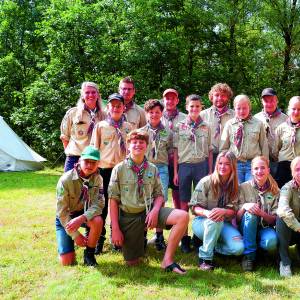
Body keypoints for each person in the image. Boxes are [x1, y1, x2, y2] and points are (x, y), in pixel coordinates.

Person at [109, 130, 189, 274]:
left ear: (147, 146)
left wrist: (155, 210)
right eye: (134, 142)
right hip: (129, 217)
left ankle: (167, 261)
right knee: (132, 263)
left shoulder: (152, 168)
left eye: (141, 142)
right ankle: (136, 244)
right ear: (128, 145)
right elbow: (113, 199)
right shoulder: (119, 169)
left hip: (149, 212)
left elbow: (159, 194)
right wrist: (115, 228)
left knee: (183, 216)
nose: (138, 145)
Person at [90, 93, 133, 254]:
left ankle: (118, 240)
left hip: (123, 171)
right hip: (104, 170)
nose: (116, 108)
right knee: (102, 206)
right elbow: (94, 149)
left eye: (119, 106)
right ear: (108, 107)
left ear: (123, 108)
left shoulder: (128, 127)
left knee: (122, 206)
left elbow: (132, 149)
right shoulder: (100, 126)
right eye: (112, 105)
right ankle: (98, 241)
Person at [189, 151, 244, 271]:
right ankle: (205, 259)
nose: (222, 167)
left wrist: (223, 212)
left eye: (227, 164)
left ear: (233, 166)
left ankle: (210, 246)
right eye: (220, 163)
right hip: (202, 222)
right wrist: (208, 213)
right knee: (214, 220)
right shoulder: (206, 182)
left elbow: (233, 211)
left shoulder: (235, 186)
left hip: (224, 224)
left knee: (239, 248)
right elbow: (194, 207)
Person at [173, 94, 213, 253]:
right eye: (192, 106)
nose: (194, 109)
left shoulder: (206, 126)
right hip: (184, 166)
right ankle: (184, 238)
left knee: (200, 203)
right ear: (186, 107)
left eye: (197, 106)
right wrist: (176, 172)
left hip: (201, 166)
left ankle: (199, 236)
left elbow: (210, 151)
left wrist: (210, 171)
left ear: (201, 107)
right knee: (184, 203)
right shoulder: (180, 126)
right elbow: (175, 150)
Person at [55, 146, 104, 266]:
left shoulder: (98, 179)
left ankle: (89, 255)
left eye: (93, 162)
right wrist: (76, 235)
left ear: (98, 164)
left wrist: (82, 218)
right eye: (86, 161)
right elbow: (61, 212)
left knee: (98, 220)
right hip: (66, 217)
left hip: (84, 214)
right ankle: (67, 247)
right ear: (79, 161)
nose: (90, 165)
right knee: (67, 262)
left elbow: (99, 203)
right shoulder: (65, 180)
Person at [139, 99, 173, 251]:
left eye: (157, 112)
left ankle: (159, 236)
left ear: (162, 113)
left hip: (161, 168)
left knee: (161, 199)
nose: (154, 115)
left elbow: (171, 152)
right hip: (145, 167)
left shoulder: (167, 131)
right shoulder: (141, 132)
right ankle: (143, 235)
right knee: (144, 199)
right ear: (146, 113)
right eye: (151, 112)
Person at [237, 156, 279, 271]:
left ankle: (259, 251)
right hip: (246, 227)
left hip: (264, 228)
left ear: (268, 170)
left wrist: (261, 213)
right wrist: (245, 207)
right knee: (250, 215)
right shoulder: (243, 187)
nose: (259, 171)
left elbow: (275, 220)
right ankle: (249, 257)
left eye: (262, 168)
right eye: (256, 168)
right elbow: (236, 219)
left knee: (271, 242)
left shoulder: (275, 191)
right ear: (251, 171)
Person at [220, 94, 269, 183]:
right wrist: (227, 164)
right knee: (236, 191)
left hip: (253, 165)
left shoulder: (258, 124)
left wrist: (264, 165)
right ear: (234, 108)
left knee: (251, 190)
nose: (242, 111)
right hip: (235, 164)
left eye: (244, 108)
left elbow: (264, 146)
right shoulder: (229, 124)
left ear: (249, 108)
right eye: (238, 108)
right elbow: (224, 148)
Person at [60, 82, 106, 172]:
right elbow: (64, 137)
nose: (90, 95)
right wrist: (71, 153)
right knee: (70, 185)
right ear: (82, 95)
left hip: (95, 159)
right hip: (75, 158)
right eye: (87, 92)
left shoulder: (105, 116)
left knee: (94, 185)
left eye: (93, 92)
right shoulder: (73, 113)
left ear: (98, 95)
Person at [161, 88, 186, 211]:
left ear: (177, 100)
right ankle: (159, 227)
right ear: (163, 100)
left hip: (179, 160)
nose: (169, 101)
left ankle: (180, 223)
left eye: (172, 98)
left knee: (178, 192)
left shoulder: (185, 118)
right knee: (161, 193)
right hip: (162, 160)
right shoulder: (157, 116)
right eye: (167, 98)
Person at [254, 88, 287, 176]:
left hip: (279, 161)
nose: (269, 104)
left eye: (272, 100)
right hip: (261, 162)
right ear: (262, 102)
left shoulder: (285, 119)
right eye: (266, 101)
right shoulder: (255, 119)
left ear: (277, 101)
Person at [200, 83, 235, 168]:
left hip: (228, 156)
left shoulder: (235, 116)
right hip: (208, 157)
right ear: (211, 97)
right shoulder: (202, 115)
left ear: (228, 97)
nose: (220, 98)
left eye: (223, 95)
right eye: (217, 95)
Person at [276, 156, 300, 277]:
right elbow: (283, 209)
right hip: (290, 231)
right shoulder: (287, 188)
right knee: (282, 217)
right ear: (292, 172)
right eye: (297, 169)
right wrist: (298, 226)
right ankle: (284, 262)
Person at [274, 96, 300, 188]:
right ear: (289, 109)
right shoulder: (281, 128)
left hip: (299, 166)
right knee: (281, 191)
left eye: (299, 109)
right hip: (284, 166)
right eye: (293, 109)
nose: (296, 112)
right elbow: (276, 149)